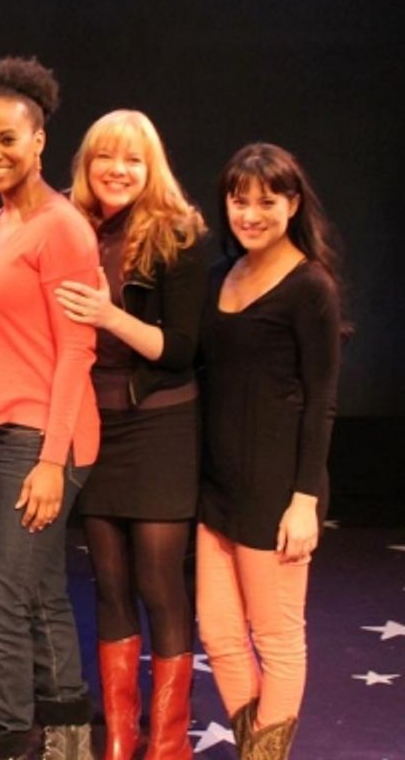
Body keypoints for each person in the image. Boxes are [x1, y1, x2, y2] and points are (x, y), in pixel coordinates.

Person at [0, 56, 100, 760]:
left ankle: (6, 739)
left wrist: (49, 460)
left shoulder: (61, 228)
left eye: (6, 139)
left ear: (39, 142)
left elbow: (78, 352)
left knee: (2, 602)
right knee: (39, 592)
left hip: (43, 435)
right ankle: (68, 736)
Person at [54, 109, 208, 760]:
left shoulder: (178, 235)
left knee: (158, 584)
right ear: (86, 166)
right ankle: (121, 738)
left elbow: (179, 349)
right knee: (109, 586)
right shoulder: (68, 228)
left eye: (133, 160)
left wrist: (108, 315)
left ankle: (165, 744)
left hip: (160, 425)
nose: (118, 170)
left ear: (152, 168)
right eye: (105, 158)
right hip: (95, 425)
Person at [196, 143, 343, 759]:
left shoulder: (310, 285)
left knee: (277, 639)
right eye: (239, 199)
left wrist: (304, 500)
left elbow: (321, 400)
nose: (251, 213)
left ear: (292, 204)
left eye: (266, 200)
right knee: (222, 636)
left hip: (278, 493)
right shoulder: (220, 276)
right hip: (216, 492)